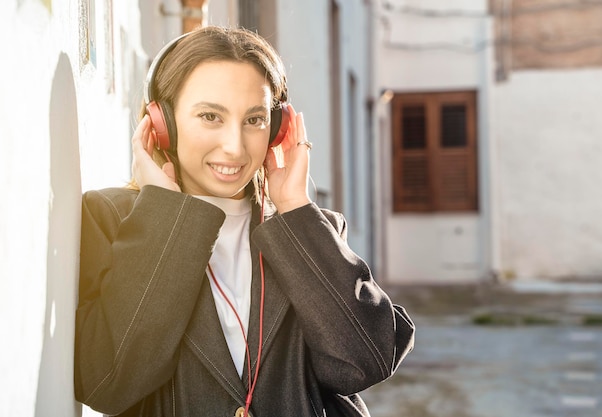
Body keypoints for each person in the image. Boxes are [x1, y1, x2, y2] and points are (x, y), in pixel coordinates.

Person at [74, 25, 414, 417]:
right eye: (210, 116)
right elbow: (107, 383)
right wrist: (164, 215)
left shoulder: (306, 229)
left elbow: (366, 361)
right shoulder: (113, 220)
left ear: (277, 128)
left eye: (254, 120)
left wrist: (294, 206)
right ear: (161, 123)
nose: (234, 147)